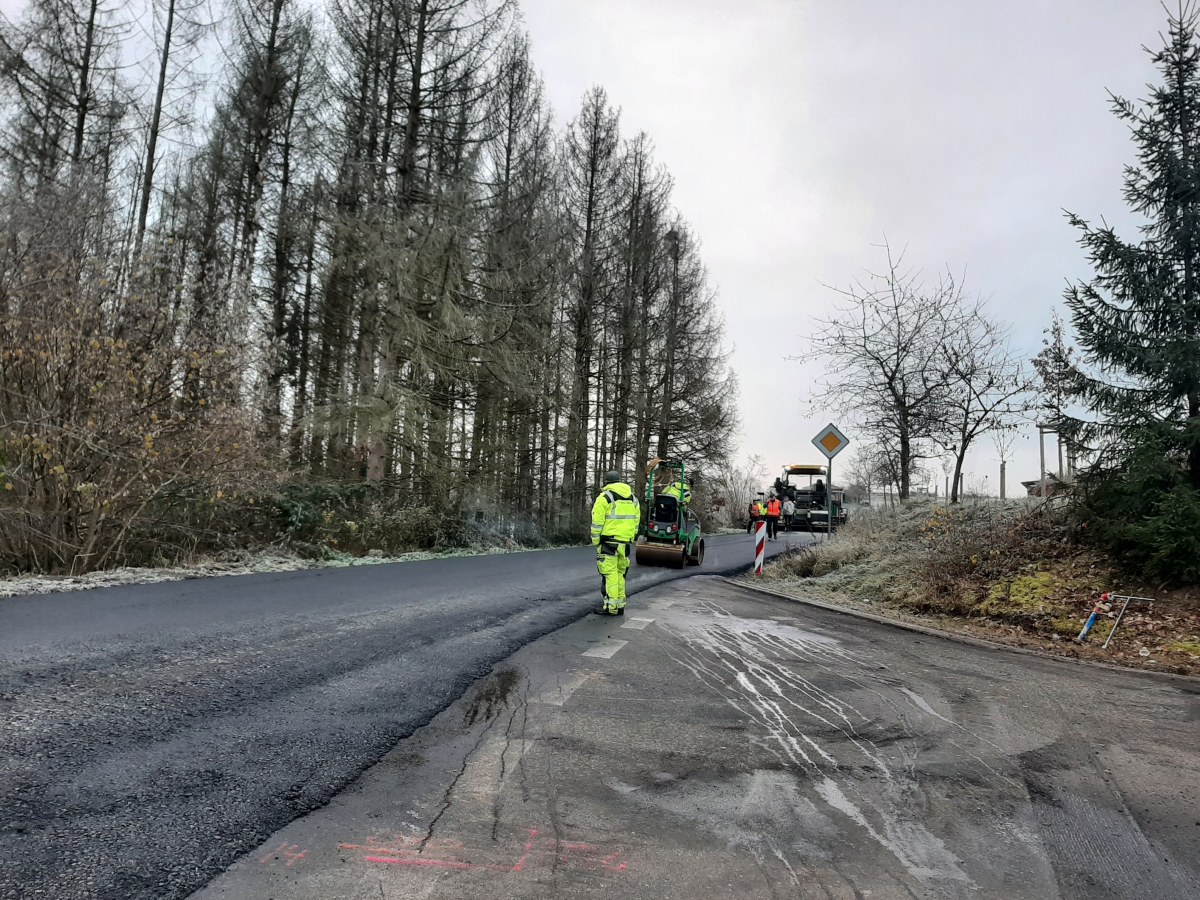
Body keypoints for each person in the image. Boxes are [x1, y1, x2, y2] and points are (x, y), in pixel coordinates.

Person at [591, 469, 641, 616]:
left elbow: (597, 522)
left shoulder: (605, 498)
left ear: (606, 482)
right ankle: (620, 605)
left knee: (609, 574)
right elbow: (636, 522)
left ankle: (611, 607)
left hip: (608, 542)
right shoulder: (633, 499)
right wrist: (631, 537)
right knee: (620, 574)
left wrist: (596, 541)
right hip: (625, 543)